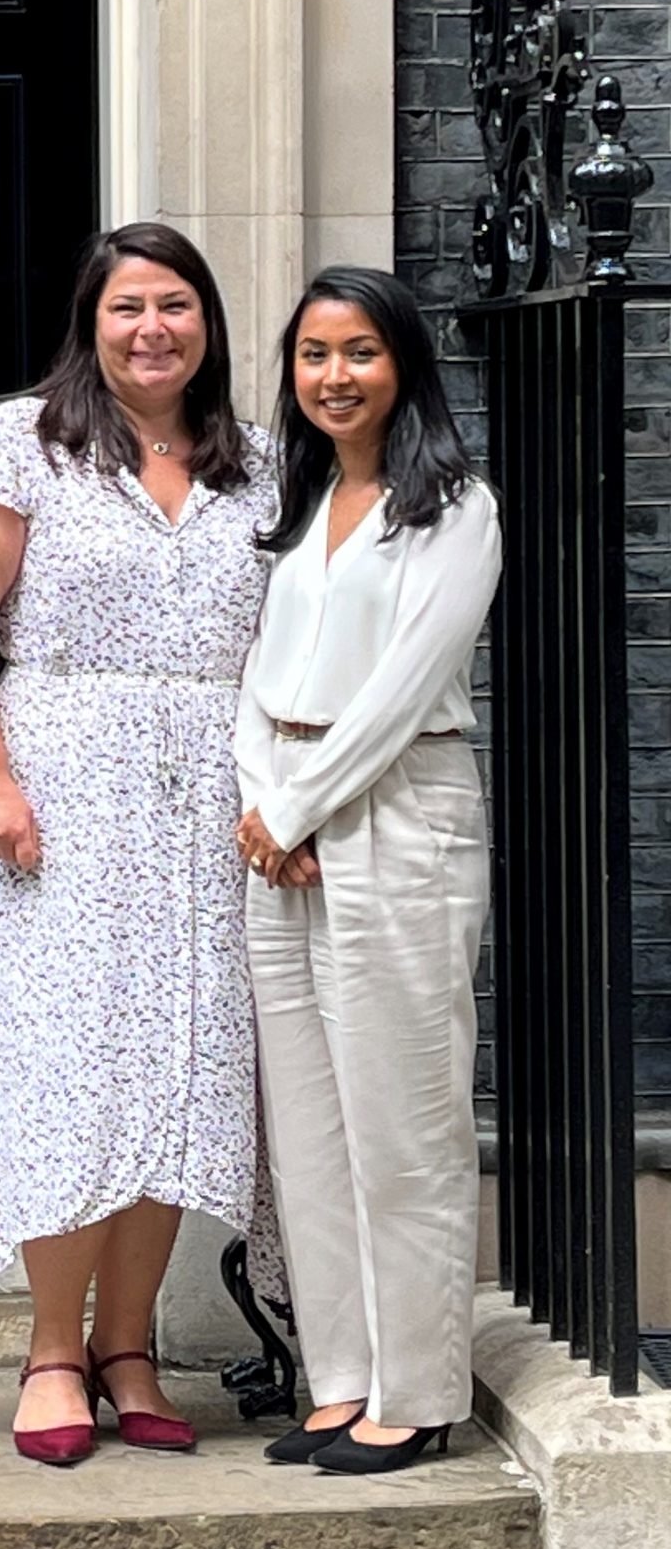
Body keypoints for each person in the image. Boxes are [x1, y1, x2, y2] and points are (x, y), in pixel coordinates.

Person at [0, 223, 277, 1465]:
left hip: (209, 807)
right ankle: (53, 1350)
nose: (152, 330)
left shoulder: (259, 467)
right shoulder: (22, 443)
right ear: (92, 321)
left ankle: (130, 1345)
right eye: (128, 307)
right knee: (68, 1073)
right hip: (62, 805)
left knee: (178, 1075)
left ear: (208, 325)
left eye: (176, 306)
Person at [236, 267, 500, 1476]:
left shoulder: (455, 508)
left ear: (404, 365)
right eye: (312, 355)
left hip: (394, 808)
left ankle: (420, 1385)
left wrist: (290, 804)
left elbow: (401, 692)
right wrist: (261, 798)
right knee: (312, 1125)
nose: (334, 376)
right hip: (279, 831)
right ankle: (338, 1377)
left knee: (404, 1117)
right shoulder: (297, 502)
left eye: (359, 353)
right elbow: (257, 667)